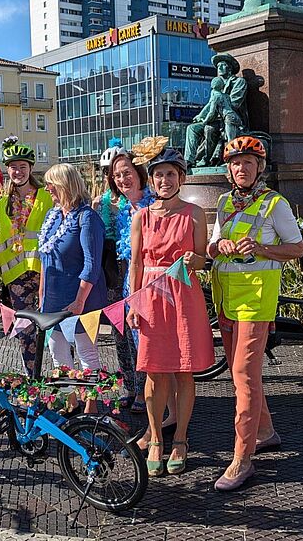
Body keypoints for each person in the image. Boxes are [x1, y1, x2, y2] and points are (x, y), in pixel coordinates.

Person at [208, 136, 303, 491]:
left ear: (259, 167)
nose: (241, 168)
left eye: (248, 162)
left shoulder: (274, 204)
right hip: (227, 299)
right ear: (229, 169)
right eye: (235, 163)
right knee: (241, 376)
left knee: (244, 376)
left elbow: (297, 248)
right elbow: (212, 246)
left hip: (256, 301)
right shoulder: (223, 202)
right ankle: (264, 432)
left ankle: (241, 459)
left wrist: (262, 247)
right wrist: (222, 246)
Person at [127, 137, 213, 477]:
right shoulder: (142, 218)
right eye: (159, 175)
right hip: (151, 297)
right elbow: (135, 263)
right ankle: (157, 438)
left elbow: (204, 260)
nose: (165, 181)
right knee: (153, 371)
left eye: (171, 174)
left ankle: (180, 438)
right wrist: (133, 304)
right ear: (151, 180)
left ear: (182, 178)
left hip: (184, 296)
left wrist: (197, 259)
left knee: (183, 369)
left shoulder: (194, 214)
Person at [107, 149, 178, 430]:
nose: (123, 179)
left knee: (157, 355)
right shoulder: (123, 210)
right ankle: (158, 413)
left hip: (157, 287)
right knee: (139, 349)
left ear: (140, 174)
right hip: (130, 286)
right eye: (117, 175)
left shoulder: (156, 205)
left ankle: (164, 417)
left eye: (127, 172)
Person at [39, 163, 107, 404]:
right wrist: (42, 295)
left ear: (66, 185)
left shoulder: (87, 217)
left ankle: (91, 404)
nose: (47, 188)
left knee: (85, 351)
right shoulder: (53, 216)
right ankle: (70, 400)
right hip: (54, 299)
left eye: (51, 184)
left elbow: (91, 264)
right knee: (57, 350)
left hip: (81, 299)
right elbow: (45, 260)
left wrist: (79, 301)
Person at [0, 137, 54, 376]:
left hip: (45, 273)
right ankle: (33, 382)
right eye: (13, 167)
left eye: (23, 167)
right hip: (16, 277)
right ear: (7, 170)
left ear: (31, 169)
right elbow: (0, 243)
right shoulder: (1, 205)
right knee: (26, 334)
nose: (18, 171)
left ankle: (65, 387)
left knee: (56, 332)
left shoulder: (47, 197)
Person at [94, 140, 141, 409]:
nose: (116, 178)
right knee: (119, 336)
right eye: (110, 173)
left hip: (132, 275)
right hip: (111, 276)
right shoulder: (99, 202)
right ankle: (129, 385)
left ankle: (144, 387)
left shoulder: (134, 202)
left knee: (137, 335)